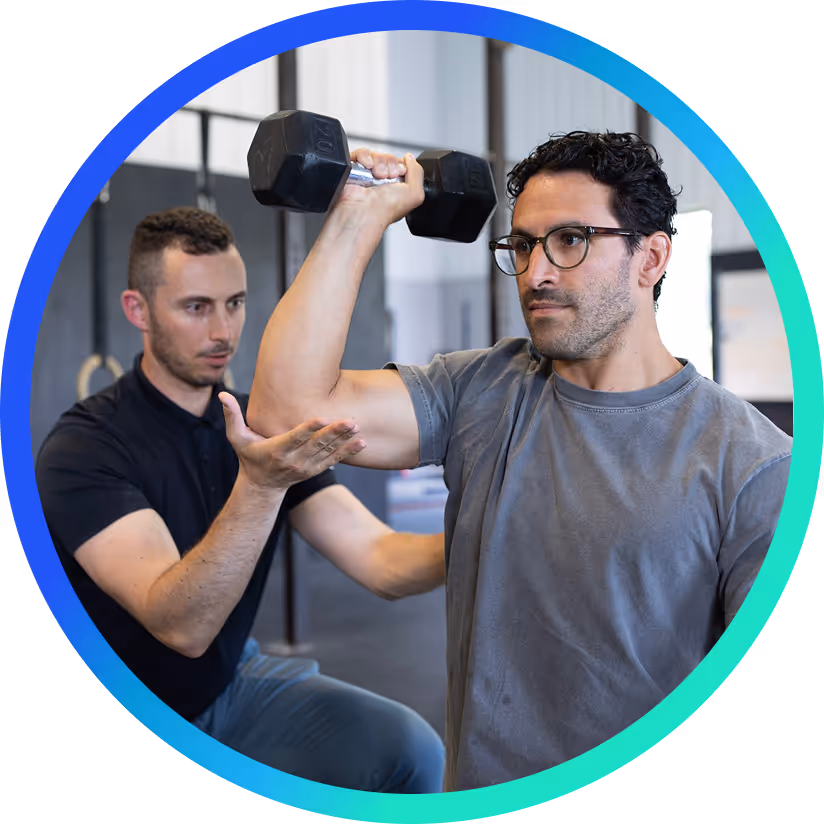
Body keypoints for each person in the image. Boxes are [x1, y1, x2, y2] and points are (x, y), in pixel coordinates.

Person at [245, 132, 793, 791]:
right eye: (524, 245)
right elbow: (286, 411)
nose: (536, 274)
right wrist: (358, 216)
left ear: (650, 258)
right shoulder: (483, 389)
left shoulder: (752, 466)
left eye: (571, 240)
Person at [35, 206, 447, 793]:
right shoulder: (85, 447)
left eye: (234, 303)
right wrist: (261, 484)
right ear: (138, 310)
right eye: (196, 307)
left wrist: (479, 534)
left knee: (411, 752)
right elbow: (182, 627)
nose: (223, 331)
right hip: (139, 702)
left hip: (227, 681)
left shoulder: (263, 427)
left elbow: (381, 560)